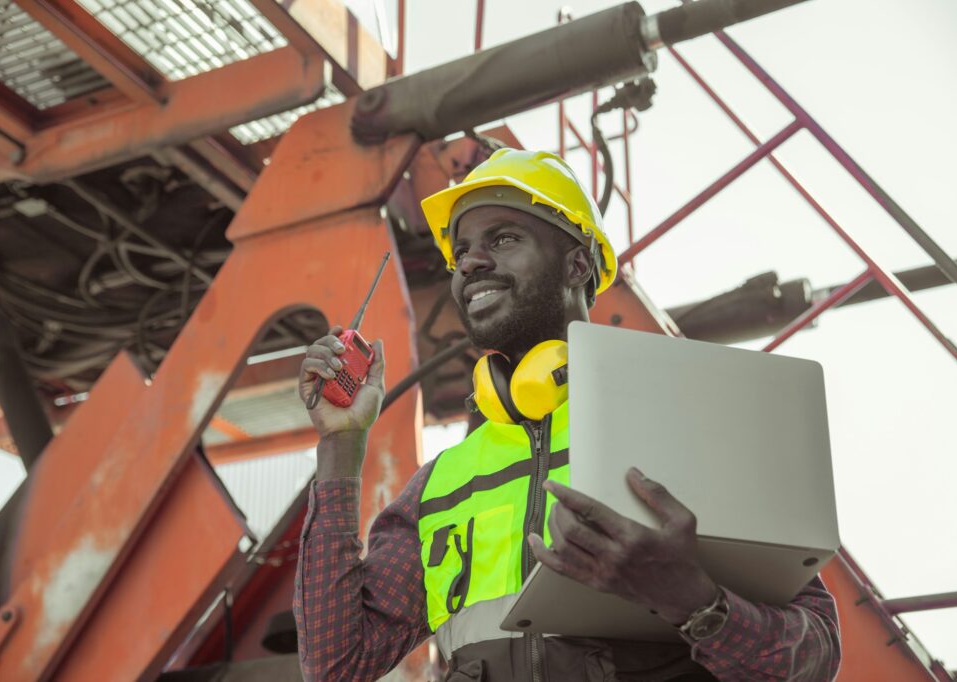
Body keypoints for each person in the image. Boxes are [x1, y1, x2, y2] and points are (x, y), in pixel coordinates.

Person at [294, 149, 841, 681]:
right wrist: (340, 445)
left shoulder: (683, 427)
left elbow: (814, 653)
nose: (470, 263)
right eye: (460, 252)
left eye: (503, 239)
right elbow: (336, 664)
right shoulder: (440, 486)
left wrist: (695, 603)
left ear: (577, 263)